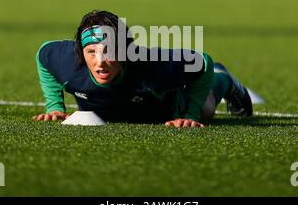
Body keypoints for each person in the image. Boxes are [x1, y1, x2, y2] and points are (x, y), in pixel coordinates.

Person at [33, 10, 252, 127]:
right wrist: (54, 107)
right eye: (91, 52)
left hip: (162, 110)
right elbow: (43, 54)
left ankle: (223, 79)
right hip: (107, 109)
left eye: (108, 51)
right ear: (81, 52)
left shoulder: (153, 65)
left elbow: (203, 62)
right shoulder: (66, 60)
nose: (100, 61)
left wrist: (189, 115)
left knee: (207, 110)